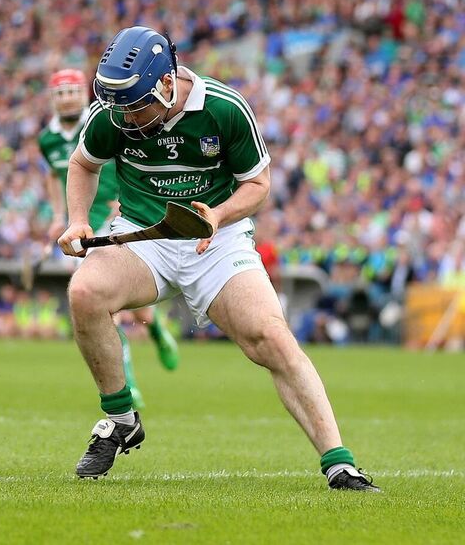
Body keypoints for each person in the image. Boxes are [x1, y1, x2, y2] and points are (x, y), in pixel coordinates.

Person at [58, 25, 378, 491]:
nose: (125, 119)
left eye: (136, 106)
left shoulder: (224, 109)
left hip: (217, 239)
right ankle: (121, 419)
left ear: (166, 84)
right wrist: (77, 219)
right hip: (141, 234)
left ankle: (340, 462)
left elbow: (259, 185)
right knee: (84, 292)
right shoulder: (113, 113)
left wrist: (220, 215)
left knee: (270, 338)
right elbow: (83, 163)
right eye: (119, 108)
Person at [38, 69, 179, 407]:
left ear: (82, 94)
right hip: (81, 222)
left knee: (118, 301)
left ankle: (143, 353)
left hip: (116, 215)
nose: (67, 99)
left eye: (72, 92)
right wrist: (59, 216)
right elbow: (54, 177)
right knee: (106, 305)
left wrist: (125, 198)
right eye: (60, 94)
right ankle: (142, 354)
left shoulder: (107, 119)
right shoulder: (47, 138)